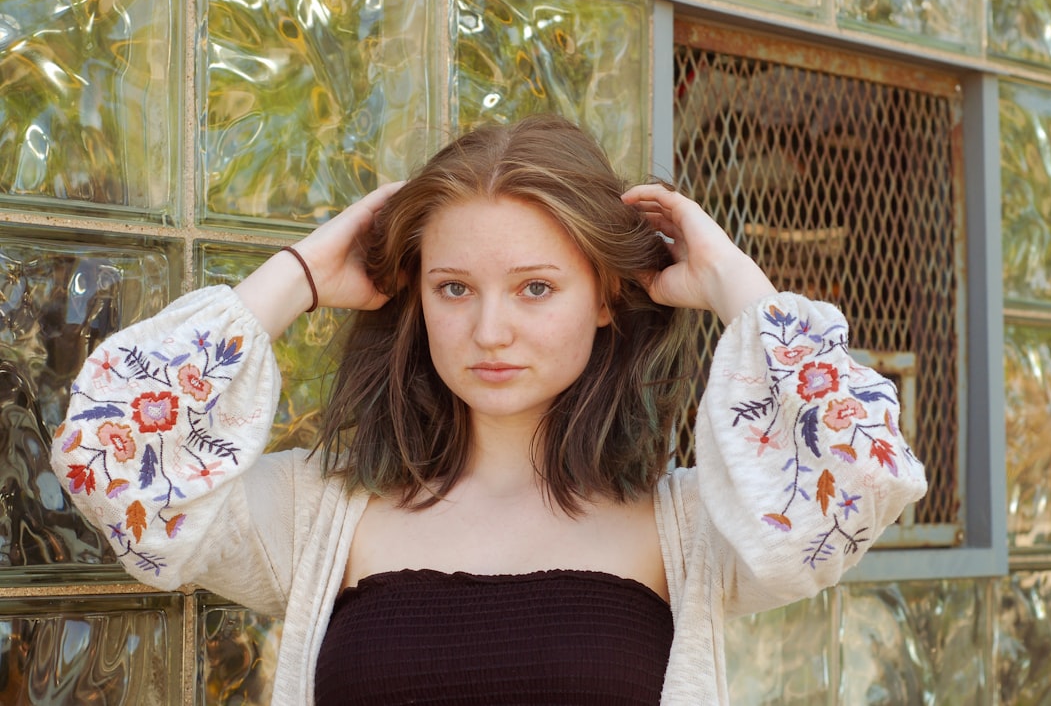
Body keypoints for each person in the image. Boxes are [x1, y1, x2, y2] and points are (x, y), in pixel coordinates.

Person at [50, 114, 927, 705]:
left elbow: (860, 476)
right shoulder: (322, 512)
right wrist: (302, 275)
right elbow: (109, 461)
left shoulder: (694, 526)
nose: (489, 329)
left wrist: (737, 282)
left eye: (536, 287)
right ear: (415, 297)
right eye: (454, 287)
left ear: (607, 298)